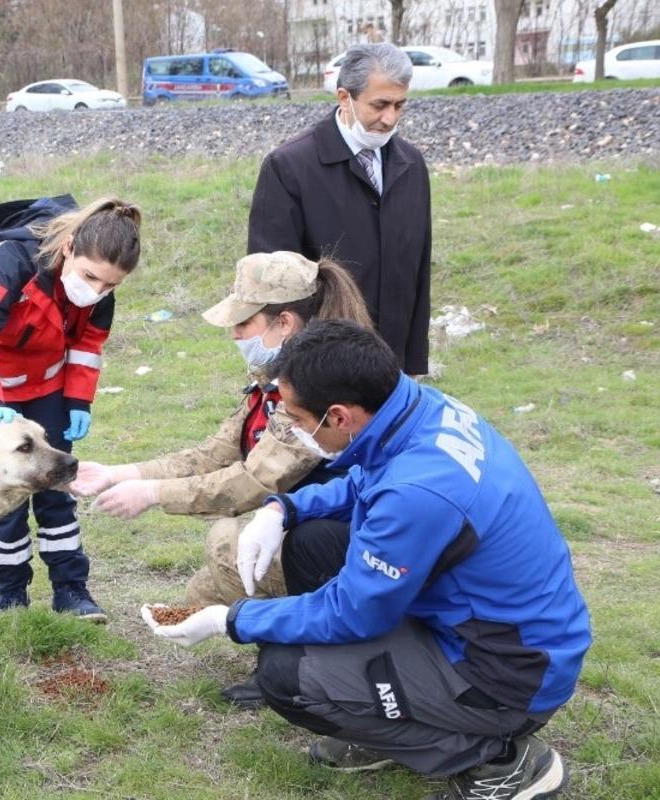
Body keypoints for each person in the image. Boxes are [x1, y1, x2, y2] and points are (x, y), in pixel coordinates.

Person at [144, 320, 591, 800]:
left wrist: (228, 619)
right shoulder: (417, 409)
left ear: (338, 417)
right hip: (485, 620)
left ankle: (500, 761)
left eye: (295, 418)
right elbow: (366, 480)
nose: (291, 428)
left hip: (503, 672)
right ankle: (386, 717)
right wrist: (283, 508)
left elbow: (350, 612)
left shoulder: (417, 492)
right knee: (310, 543)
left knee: (287, 674)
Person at [70, 251, 371, 610]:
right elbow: (217, 452)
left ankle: (305, 639)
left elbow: (251, 484)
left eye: (243, 324)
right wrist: (119, 474)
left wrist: (152, 493)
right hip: (307, 520)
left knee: (227, 547)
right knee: (199, 597)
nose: (233, 335)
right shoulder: (278, 375)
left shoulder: (315, 390)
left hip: (341, 535)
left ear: (285, 323)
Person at [0, 194, 142, 622]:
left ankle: (71, 590)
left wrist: (77, 400)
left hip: (47, 385)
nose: (97, 292)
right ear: (68, 246)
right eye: (90, 277)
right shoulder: (8, 262)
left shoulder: (98, 284)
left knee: (57, 484)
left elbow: (87, 345)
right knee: (6, 489)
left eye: (109, 286)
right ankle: (11, 593)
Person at [247, 43, 431, 376]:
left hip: (392, 363)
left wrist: (412, 362)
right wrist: (287, 373)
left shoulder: (411, 165)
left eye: (400, 105)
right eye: (380, 105)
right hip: (322, 367)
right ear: (344, 98)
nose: (390, 118)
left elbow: (417, 271)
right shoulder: (289, 167)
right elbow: (271, 283)